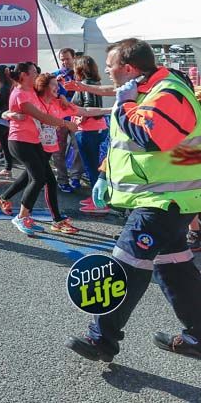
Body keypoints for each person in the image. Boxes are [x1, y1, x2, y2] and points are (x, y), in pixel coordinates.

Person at [66, 38, 201, 362]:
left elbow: (152, 137)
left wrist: (125, 105)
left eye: (110, 66)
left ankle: (102, 338)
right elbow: (123, 142)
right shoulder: (144, 91)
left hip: (165, 200)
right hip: (164, 199)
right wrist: (103, 173)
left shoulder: (167, 91)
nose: (108, 72)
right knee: (174, 267)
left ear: (128, 68)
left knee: (127, 264)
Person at [2, 64, 79, 236]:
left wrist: (62, 97)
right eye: (34, 72)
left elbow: (49, 92)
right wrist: (66, 123)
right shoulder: (20, 94)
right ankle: (22, 217)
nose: (37, 74)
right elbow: (42, 117)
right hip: (20, 141)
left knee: (46, 179)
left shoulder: (32, 91)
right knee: (37, 179)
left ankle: (52, 218)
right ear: (24, 75)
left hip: (35, 141)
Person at [69, 55, 105, 193]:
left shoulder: (85, 84)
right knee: (94, 164)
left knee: (91, 165)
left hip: (87, 129)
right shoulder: (95, 83)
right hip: (97, 127)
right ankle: (97, 195)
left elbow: (89, 105)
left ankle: (96, 197)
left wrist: (79, 120)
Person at [52, 48, 83, 190]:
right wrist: (58, 90)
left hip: (77, 116)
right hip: (59, 117)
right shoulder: (55, 75)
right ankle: (62, 179)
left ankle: (76, 176)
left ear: (74, 58)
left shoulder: (80, 74)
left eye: (67, 59)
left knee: (78, 146)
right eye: (62, 59)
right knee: (58, 149)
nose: (65, 62)